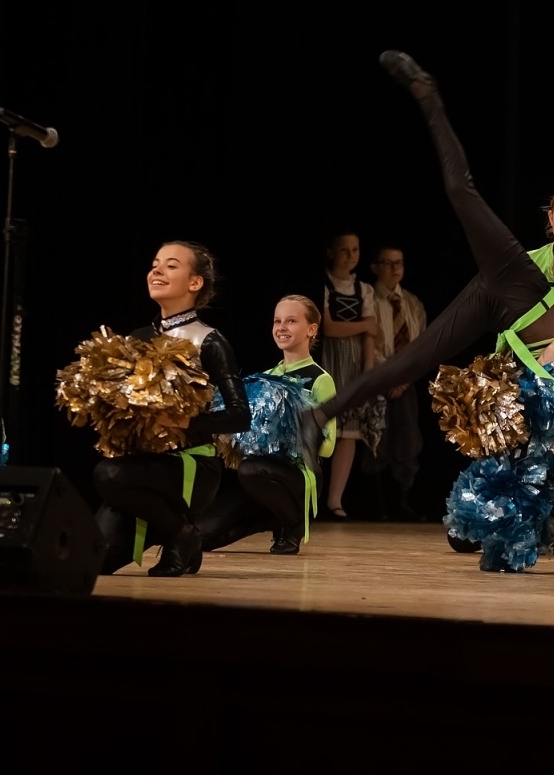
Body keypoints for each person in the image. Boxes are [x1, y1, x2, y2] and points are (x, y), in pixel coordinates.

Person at [307, 52, 554, 452]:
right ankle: (427, 93)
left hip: (532, 336)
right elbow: (520, 313)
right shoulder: (531, 261)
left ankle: (316, 416)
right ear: (550, 216)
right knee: (459, 194)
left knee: (414, 359)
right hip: (505, 294)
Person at [93, 241, 250, 576]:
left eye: (171, 265)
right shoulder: (136, 338)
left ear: (195, 283)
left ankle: (182, 535)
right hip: (143, 470)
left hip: (192, 467)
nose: (157, 270)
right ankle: (177, 530)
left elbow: (240, 415)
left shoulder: (210, 341)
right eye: (154, 263)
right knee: (92, 559)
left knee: (107, 473)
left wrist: (185, 422)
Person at [198, 295, 338, 555]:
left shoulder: (320, 379)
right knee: (201, 537)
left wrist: (294, 431)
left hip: (297, 480)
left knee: (251, 470)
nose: (281, 327)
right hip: (259, 478)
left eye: (291, 321)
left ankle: (292, 523)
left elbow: (328, 448)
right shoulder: (266, 378)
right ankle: (271, 517)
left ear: (311, 329)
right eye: (277, 321)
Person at [320, 231, 381, 519]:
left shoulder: (364, 290)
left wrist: (368, 374)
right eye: (344, 250)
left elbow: (373, 333)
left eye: (355, 250)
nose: (350, 255)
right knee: (322, 425)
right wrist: (362, 326)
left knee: (349, 432)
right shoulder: (325, 285)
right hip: (328, 360)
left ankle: (335, 500)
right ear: (331, 252)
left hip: (353, 363)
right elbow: (328, 328)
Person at [365, 245, 429, 520]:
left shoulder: (412, 304)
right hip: (377, 379)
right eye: (387, 263)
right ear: (375, 267)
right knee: (377, 440)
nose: (394, 268)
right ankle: (375, 504)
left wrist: (403, 378)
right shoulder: (369, 300)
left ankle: (402, 502)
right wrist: (388, 375)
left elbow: (422, 345)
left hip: (405, 383)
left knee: (407, 441)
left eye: (398, 263)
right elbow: (367, 345)